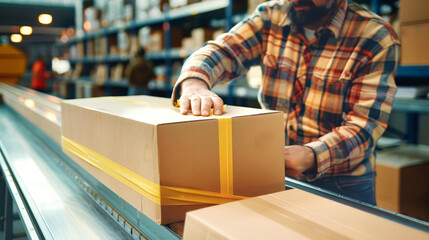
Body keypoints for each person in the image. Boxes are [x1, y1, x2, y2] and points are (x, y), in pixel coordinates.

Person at [171, 0, 400, 205]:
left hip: (343, 183)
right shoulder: (270, 17)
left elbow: (364, 125)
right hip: (275, 169)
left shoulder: (375, 36)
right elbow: (222, 51)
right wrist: (194, 82)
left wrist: (311, 155)